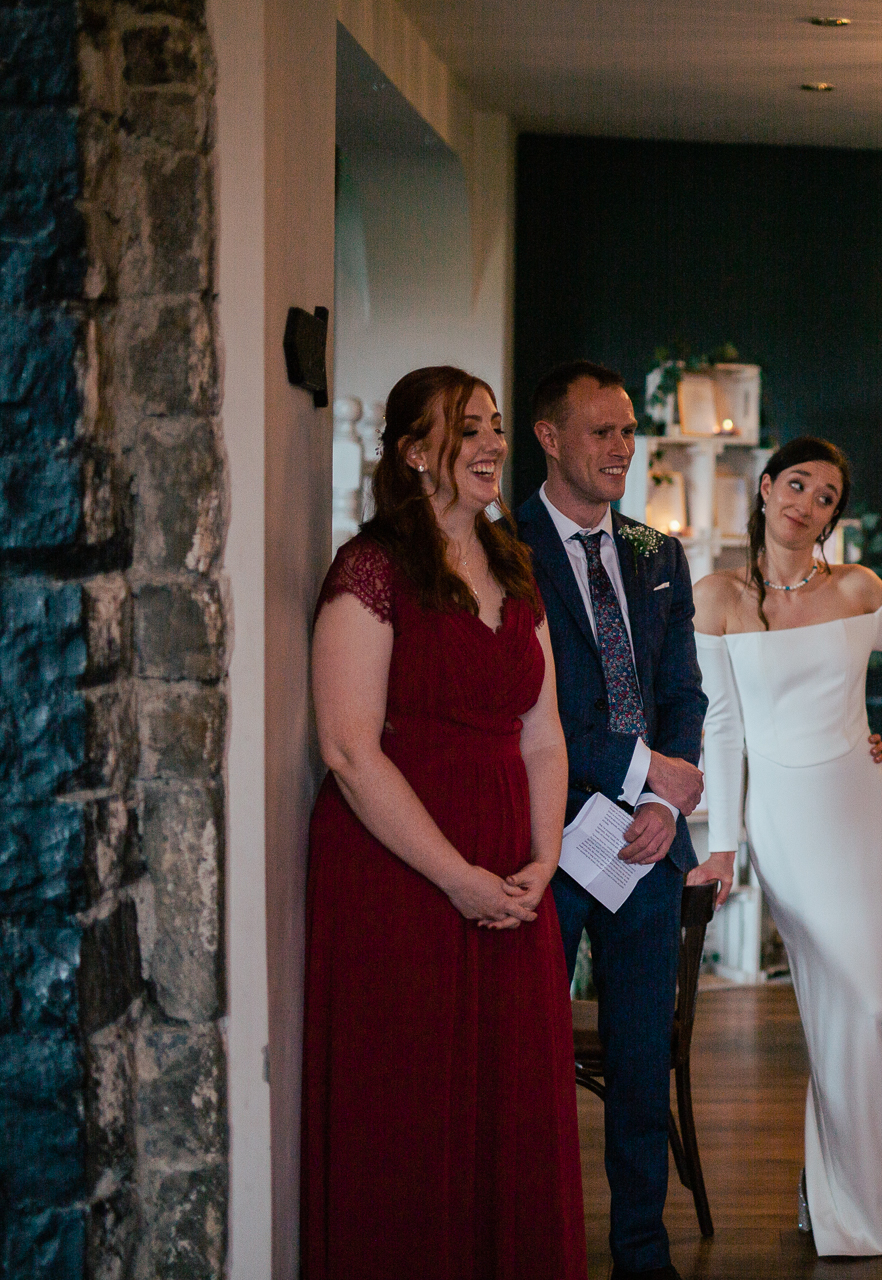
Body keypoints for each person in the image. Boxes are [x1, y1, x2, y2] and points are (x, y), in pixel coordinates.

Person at [302, 366, 585, 1279]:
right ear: (416, 453)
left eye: (495, 426)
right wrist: (455, 877)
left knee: (513, 1101)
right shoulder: (373, 567)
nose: (492, 444)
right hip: (401, 872)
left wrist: (544, 860)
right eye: (468, 430)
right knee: (414, 1101)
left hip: (512, 866)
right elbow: (348, 749)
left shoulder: (513, 564)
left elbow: (545, 735)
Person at [693, 436, 882, 1256]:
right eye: (797, 484)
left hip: (866, 811)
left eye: (826, 497)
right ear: (768, 486)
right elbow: (723, 728)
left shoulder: (856, 587)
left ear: (832, 517)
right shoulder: (717, 598)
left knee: (878, 1002)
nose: (806, 503)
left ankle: (873, 1182)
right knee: (838, 1004)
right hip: (785, 821)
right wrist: (727, 843)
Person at [516, 360, 715, 1280]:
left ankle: (641, 1250)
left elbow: (683, 692)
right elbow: (538, 708)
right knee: (523, 1063)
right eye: (601, 431)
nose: (622, 448)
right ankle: (527, 1241)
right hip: (544, 842)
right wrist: (650, 775)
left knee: (640, 1062)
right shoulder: (502, 551)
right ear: (548, 438)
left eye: (629, 430)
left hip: (646, 845)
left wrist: (659, 803)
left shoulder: (656, 552)